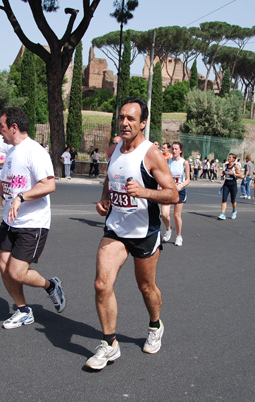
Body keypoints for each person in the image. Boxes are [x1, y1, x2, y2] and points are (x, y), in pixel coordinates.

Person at [86, 97, 178, 370]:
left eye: (131, 119)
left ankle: (155, 325)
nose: (125, 122)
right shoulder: (115, 148)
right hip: (116, 228)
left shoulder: (151, 154)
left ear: (143, 123)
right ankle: (109, 344)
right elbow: (110, 176)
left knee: (145, 286)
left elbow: (173, 193)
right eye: (122, 117)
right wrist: (104, 200)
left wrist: (144, 192)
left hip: (144, 231)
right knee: (102, 284)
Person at [0, 107, 66, 329]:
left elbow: (49, 184)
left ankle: (50, 285)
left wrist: (21, 197)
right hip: (10, 221)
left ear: (14, 128)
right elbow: (5, 184)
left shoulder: (34, 151)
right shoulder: (10, 151)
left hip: (32, 223)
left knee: (16, 272)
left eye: (3, 127)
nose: (0, 131)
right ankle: (23, 310)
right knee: (4, 266)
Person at [161, 141, 190, 246]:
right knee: (164, 214)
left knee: (176, 215)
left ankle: (179, 236)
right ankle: (169, 229)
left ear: (180, 150)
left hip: (179, 191)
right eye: (172, 149)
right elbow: (164, 176)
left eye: (176, 149)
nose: (174, 151)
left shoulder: (184, 163)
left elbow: (188, 180)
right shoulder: (168, 161)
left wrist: (180, 186)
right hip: (169, 190)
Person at [218, 153, 243, 220]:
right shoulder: (226, 165)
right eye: (228, 157)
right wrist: (222, 174)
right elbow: (224, 172)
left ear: (233, 159)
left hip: (233, 184)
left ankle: (234, 211)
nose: (228, 158)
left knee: (233, 200)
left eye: (230, 157)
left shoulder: (235, 166)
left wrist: (234, 174)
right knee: (224, 199)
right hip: (226, 183)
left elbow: (240, 175)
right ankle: (223, 214)